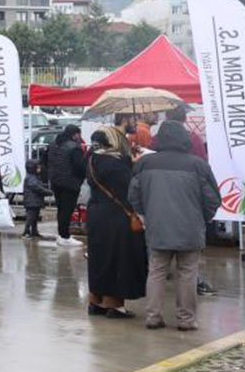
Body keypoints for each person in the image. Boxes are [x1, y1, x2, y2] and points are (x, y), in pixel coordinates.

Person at [129, 120, 220, 330]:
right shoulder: (198, 165)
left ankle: (153, 316)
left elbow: (133, 196)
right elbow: (213, 199)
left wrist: (146, 213)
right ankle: (186, 320)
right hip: (190, 228)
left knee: (156, 271)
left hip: (157, 226)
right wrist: (202, 217)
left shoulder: (144, 164)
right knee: (188, 273)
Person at [84, 128, 147, 320]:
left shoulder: (93, 159)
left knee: (99, 259)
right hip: (116, 217)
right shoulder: (115, 163)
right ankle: (115, 304)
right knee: (118, 259)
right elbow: (127, 191)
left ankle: (95, 301)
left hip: (96, 214)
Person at [46, 124, 86, 247]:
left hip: (56, 181)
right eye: (79, 134)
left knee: (61, 209)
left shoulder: (53, 144)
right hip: (70, 183)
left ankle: (61, 234)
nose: (80, 137)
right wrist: (81, 178)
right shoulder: (74, 148)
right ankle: (64, 236)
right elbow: (80, 167)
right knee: (67, 210)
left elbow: (46, 159)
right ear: (75, 134)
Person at [21, 158, 52, 239]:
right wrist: (49, 192)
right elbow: (37, 187)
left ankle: (34, 232)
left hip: (34, 201)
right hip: (32, 202)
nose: (40, 169)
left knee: (34, 217)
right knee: (31, 218)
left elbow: (39, 185)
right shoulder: (31, 178)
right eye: (38, 167)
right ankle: (26, 232)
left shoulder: (34, 177)